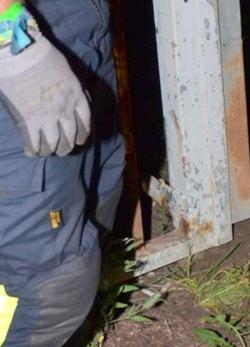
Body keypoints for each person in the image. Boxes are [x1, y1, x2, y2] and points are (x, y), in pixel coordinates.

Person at [0, 0, 125, 345]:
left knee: (100, 195)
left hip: (77, 25)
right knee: (50, 285)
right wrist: (10, 39)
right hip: (16, 42)